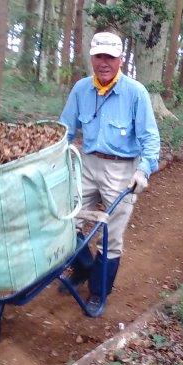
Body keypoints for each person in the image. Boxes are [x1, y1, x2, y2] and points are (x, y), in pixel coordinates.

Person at [59, 30, 160, 314]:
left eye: (110, 57)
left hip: (121, 169)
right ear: (91, 57)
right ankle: (83, 269)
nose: (104, 62)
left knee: (110, 236)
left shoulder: (135, 93)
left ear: (120, 60)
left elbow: (150, 138)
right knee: (69, 222)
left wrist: (143, 170)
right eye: (99, 56)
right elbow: (66, 128)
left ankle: (98, 292)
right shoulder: (81, 89)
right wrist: (52, 155)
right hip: (88, 164)